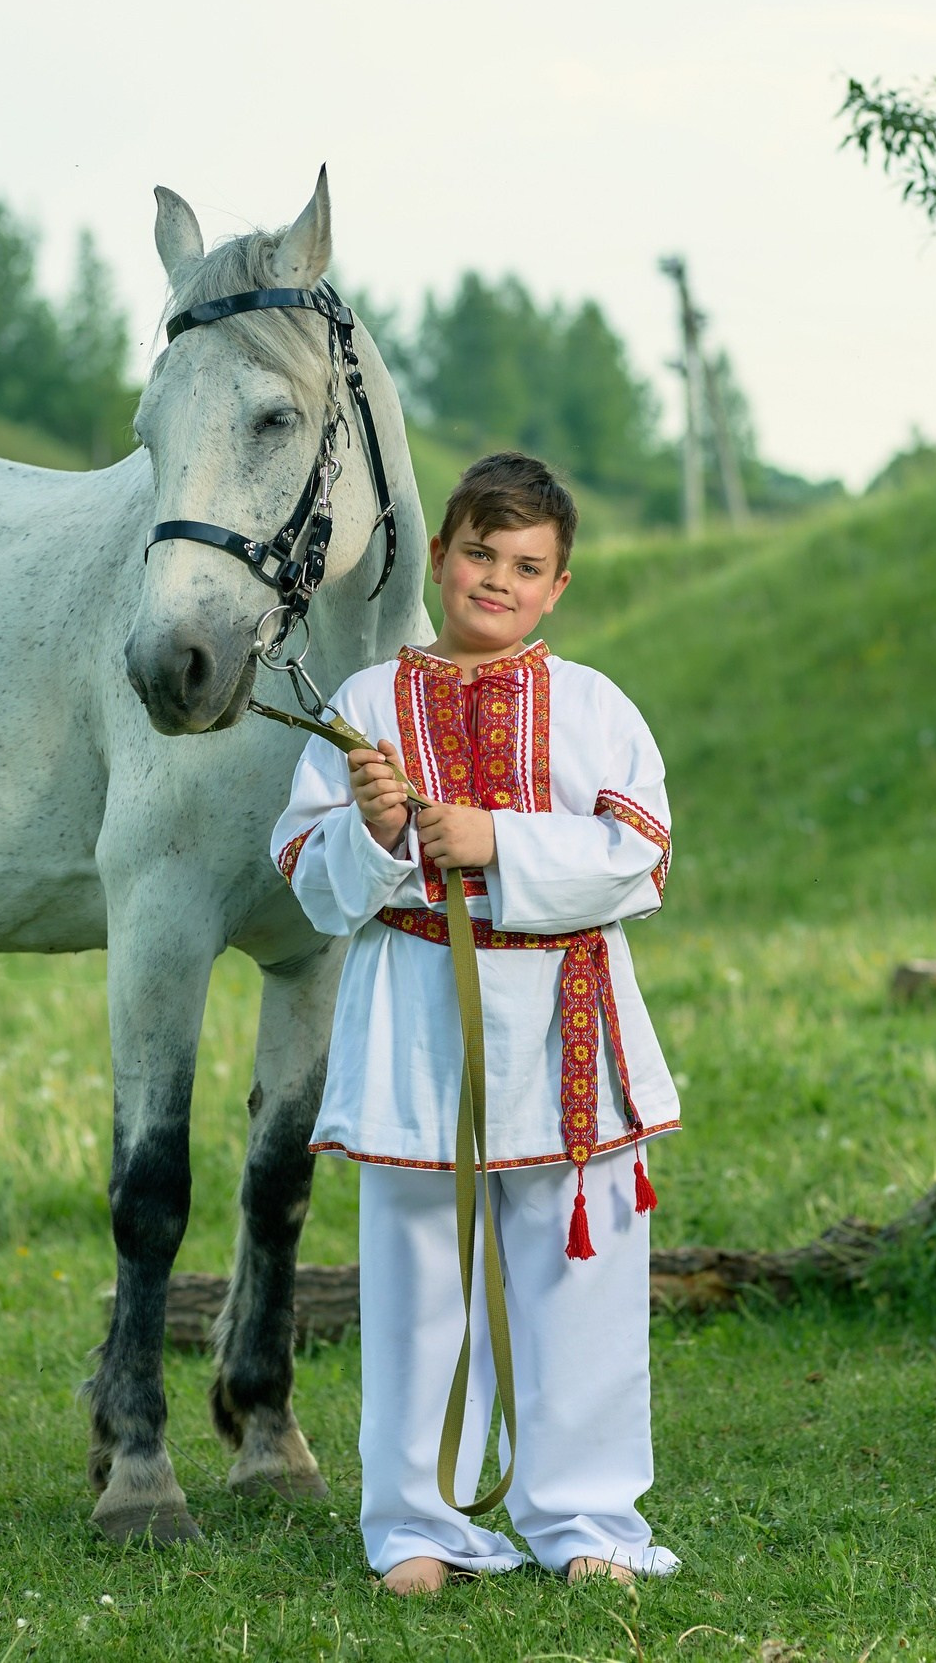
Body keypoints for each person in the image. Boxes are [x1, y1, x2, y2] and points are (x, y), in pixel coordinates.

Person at [269, 451, 681, 1596]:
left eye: (527, 566)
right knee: (416, 1275)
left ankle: (582, 1518)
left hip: (567, 1029)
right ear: (443, 556)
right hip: (417, 1030)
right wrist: (383, 833)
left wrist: (498, 841)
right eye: (480, 555)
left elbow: (642, 857)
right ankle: (416, 1525)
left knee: (575, 1273)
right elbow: (309, 876)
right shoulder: (362, 707)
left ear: (558, 586)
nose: (497, 579)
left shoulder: (596, 706)